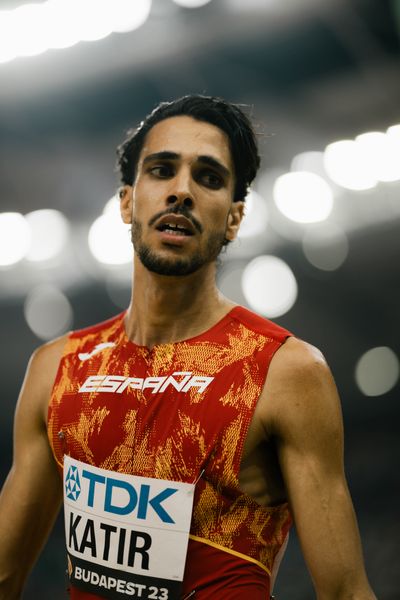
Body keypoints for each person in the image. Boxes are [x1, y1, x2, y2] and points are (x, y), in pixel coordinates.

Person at [0, 95, 376, 600]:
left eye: (209, 177)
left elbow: (346, 593)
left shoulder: (285, 373)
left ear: (235, 218)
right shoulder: (57, 370)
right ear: (128, 201)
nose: (181, 191)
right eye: (161, 170)